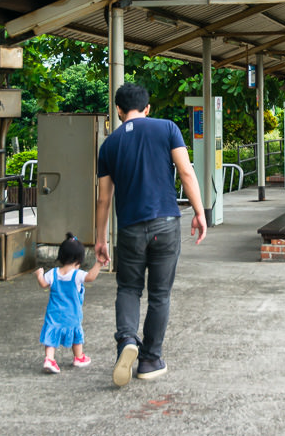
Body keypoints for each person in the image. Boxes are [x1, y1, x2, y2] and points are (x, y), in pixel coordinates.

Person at [95, 83, 207, 387]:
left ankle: (126, 341)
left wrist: (101, 238)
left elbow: (104, 199)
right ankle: (150, 359)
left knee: (129, 289)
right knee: (160, 294)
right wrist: (199, 211)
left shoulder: (109, 145)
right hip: (166, 224)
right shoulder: (167, 128)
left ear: (118, 111)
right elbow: (186, 172)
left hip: (130, 228)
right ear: (147, 108)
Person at [34, 232, 102, 373]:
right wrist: (99, 264)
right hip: (72, 314)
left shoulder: (52, 273)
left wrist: (39, 274)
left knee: (51, 334)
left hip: (54, 313)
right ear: (79, 259)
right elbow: (90, 277)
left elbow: (42, 284)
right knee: (76, 334)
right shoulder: (77, 275)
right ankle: (78, 357)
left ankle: (49, 359)